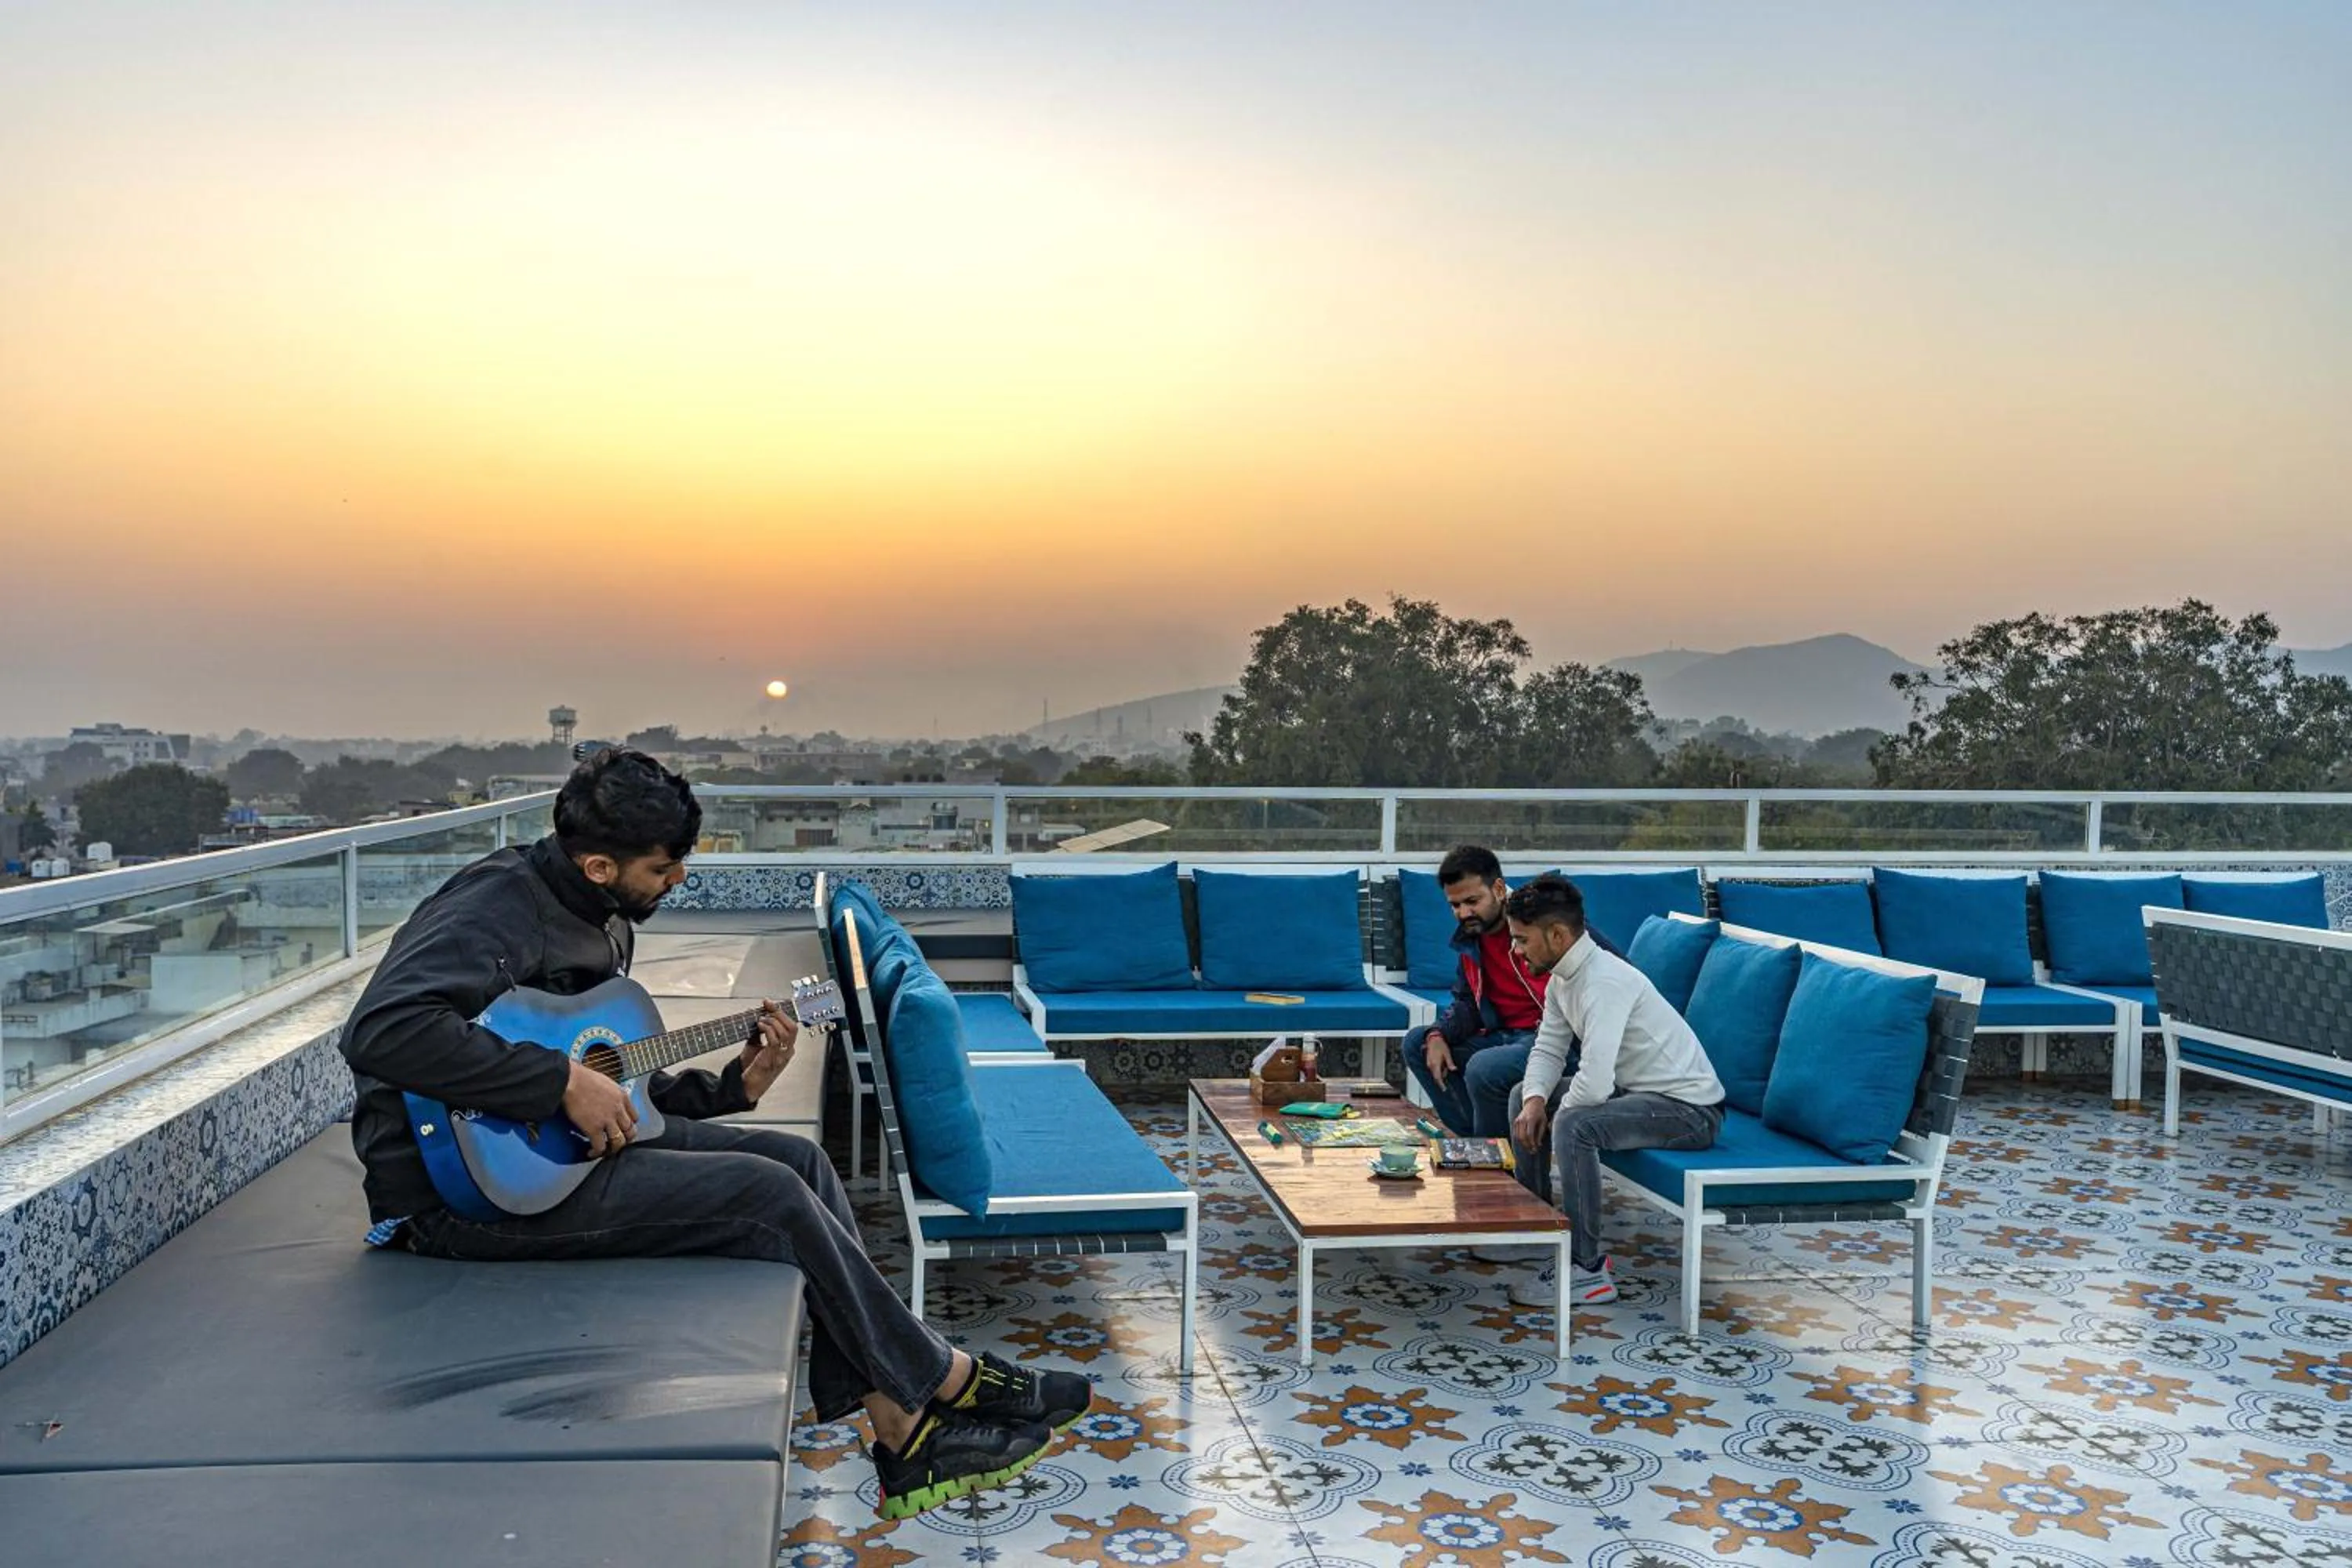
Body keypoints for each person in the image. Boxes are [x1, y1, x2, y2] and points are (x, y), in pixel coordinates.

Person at [340, 748, 1087, 1519]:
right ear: (599, 863)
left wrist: (732, 1085)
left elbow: (617, 1082)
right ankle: (943, 1380)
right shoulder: (497, 906)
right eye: (666, 866)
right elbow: (383, 1030)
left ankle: (901, 1424)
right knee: (769, 1196)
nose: (681, 878)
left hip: (553, 1157)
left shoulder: (600, 913)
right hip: (462, 1197)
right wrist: (560, 1081)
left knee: (800, 1159)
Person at [1501, 875, 1725, 1307]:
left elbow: (1596, 1082)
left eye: (1522, 939)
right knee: (1522, 1098)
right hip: (1636, 1092)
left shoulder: (1604, 981)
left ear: (1558, 935)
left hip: (1689, 1111)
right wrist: (1533, 1103)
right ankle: (1538, 1228)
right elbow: (1548, 1047)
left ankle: (1587, 1269)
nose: (1516, 949)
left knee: (1574, 1123)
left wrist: (1555, 1113)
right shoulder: (1566, 977)